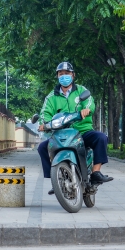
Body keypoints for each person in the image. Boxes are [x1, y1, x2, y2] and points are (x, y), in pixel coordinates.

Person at [38, 62, 113, 195]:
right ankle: (55, 179)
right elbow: (45, 114)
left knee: (101, 138)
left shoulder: (81, 90)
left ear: (73, 75)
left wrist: (86, 109)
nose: (64, 76)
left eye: (67, 73)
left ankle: (96, 171)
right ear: (57, 76)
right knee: (42, 147)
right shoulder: (51, 97)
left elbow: (89, 102)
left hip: (82, 131)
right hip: (61, 133)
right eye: (61, 74)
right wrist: (44, 123)